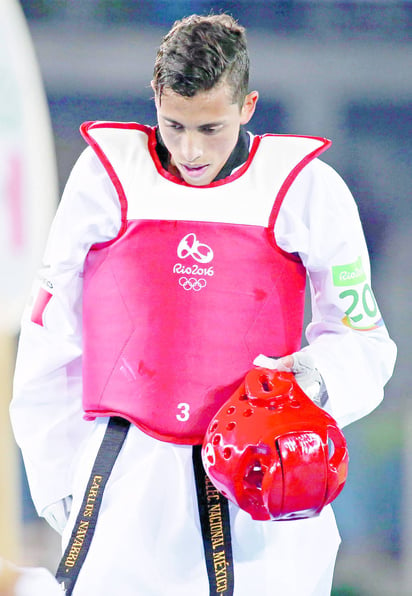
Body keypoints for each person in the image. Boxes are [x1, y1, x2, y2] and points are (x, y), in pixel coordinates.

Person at [10, 13, 396, 596]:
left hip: (257, 485)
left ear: (248, 106)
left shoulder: (308, 190)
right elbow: (49, 331)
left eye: (211, 128)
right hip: (124, 477)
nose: (190, 151)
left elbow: (366, 342)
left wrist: (305, 383)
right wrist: (54, 473)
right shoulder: (106, 178)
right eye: (174, 126)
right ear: (156, 100)